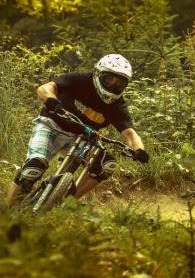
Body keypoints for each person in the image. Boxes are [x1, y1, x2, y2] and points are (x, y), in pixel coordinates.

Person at [5, 54, 149, 206]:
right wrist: (50, 99)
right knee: (33, 168)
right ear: (98, 74)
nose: (113, 86)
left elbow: (129, 133)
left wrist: (139, 150)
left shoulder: (117, 105)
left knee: (106, 164)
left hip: (81, 138)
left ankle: (63, 205)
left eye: (119, 83)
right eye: (109, 79)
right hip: (51, 125)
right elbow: (46, 88)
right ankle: (8, 210)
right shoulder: (79, 79)